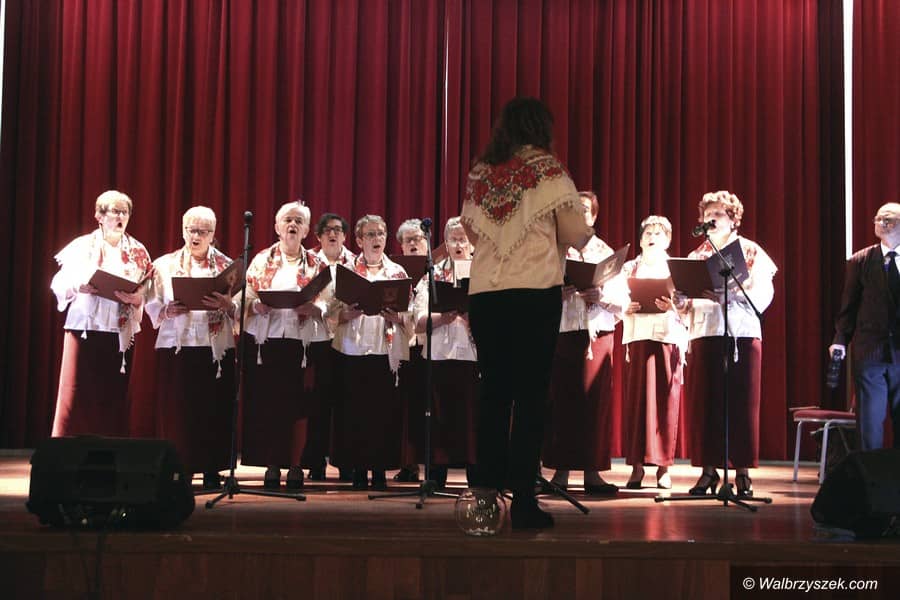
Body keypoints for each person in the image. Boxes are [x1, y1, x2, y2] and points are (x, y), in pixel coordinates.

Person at [460, 97, 593, 529]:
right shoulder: (549, 170)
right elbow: (576, 232)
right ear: (542, 129)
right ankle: (522, 501)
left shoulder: (482, 172)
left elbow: (469, 230)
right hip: (534, 291)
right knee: (531, 397)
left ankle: (485, 500)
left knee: (493, 394)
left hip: (486, 293)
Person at [678, 191, 777, 498]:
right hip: (705, 332)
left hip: (740, 333)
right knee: (707, 404)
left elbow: (764, 293)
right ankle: (709, 471)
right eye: (707, 215)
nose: (712, 219)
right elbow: (687, 297)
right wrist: (679, 303)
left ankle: (742, 471)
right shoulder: (696, 256)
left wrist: (731, 296)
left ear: (734, 220)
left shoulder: (750, 250)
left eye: (719, 214)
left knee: (741, 404)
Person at [145, 206, 237, 489]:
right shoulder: (164, 265)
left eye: (203, 231)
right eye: (191, 230)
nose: (196, 236)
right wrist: (165, 310)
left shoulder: (227, 267)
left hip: (215, 347)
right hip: (178, 345)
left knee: (213, 408)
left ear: (213, 233)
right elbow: (151, 301)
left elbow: (240, 306)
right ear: (183, 231)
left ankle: (212, 468)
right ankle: (179, 466)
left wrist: (228, 305)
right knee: (179, 408)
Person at [50, 190, 152, 437]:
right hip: (84, 329)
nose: (120, 217)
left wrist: (138, 298)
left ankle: (109, 450)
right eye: (115, 212)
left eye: (125, 212)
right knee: (77, 393)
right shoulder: (82, 246)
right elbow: (58, 283)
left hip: (119, 331)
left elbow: (149, 289)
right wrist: (79, 286)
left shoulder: (138, 251)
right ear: (99, 216)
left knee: (113, 395)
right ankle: (69, 450)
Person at [542, 191, 624, 495]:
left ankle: (593, 472)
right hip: (562, 332)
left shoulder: (605, 252)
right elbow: (536, 292)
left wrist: (600, 296)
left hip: (596, 335)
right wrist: (556, 293)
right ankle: (560, 473)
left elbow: (623, 299)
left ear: (594, 216)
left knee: (594, 404)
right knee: (561, 402)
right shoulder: (554, 250)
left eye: (586, 210)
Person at [242, 201, 328, 489]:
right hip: (268, 342)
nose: (292, 225)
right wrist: (255, 306)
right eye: (288, 220)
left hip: (303, 345)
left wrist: (315, 308)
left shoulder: (317, 263)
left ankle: (296, 465)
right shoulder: (261, 260)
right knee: (270, 405)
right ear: (277, 227)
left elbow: (331, 301)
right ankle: (272, 463)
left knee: (299, 406)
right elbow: (246, 295)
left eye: (298, 221)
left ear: (306, 230)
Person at [326, 215, 412, 490]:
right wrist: (344, 314)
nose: (377, 239)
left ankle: (379, 469)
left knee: (382, 413)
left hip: (385, 350)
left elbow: (411, 312)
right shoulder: (346, 270)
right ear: (359, 240)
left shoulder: (397, 272)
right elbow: (329, 309)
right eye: (371, 235)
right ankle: (358, 469)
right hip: (352, 349)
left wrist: (399, 317)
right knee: (354, 412)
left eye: (381, 234)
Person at [410, 217, 479, 487]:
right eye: (454, 239)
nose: (459, 244)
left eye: (464, 239)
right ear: (445, 243)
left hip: (472, 357)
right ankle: (436, 476)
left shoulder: (483, 272)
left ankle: (477, 477)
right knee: (438, 418)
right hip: (438, 355)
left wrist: (475, 318)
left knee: (472, 419)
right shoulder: (433, 275)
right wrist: (444, 317)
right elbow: (418, 321)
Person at [621, 215, 687, 489]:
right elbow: (615, 298)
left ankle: (663, 467)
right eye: (647, 232)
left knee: (666, 402)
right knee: (637, 403)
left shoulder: (676, 268)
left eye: (659, 233)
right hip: (638, 337)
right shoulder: (629, 268)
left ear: (668, 240)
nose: (652, 237)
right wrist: (625, 306)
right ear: (640, 240)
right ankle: (636, 467)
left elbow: (686, 303)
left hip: (666, 337)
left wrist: (673, 305)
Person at [830, 202, 900, 451]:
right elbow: (848, 307)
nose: (881, 223)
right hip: (870, 351)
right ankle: (870, 474)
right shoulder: (861, 260)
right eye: (878, 219)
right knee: (869, 425)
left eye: (888, 219)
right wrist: (840, 340)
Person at [301, 212, 355, 482]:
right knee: (317, 404)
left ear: (345, 236)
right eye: (327, 230)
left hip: (347, 342)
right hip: (317, 340)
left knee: (345, 404)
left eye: (338, 230)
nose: (332, 234)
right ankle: (315, 461)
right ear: (318, 236)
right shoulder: (308, 262)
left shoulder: (355, 264)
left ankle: (345, 461)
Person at [395, 218, 430, 483]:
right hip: (404, 344)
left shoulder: (436, 270)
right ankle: (408, 463)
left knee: (428, 406)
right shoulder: (395, 271)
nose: (414, 243)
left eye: (418, 238)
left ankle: (431, 464)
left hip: (429, 346)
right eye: (408, 240)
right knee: (407, 407)